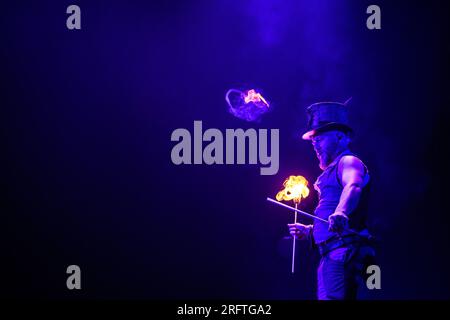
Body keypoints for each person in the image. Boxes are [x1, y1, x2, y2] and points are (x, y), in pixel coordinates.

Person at [288, 101, 376, 300]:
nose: (315, 145)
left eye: (319, 138)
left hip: (345, 252)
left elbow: (353, 186)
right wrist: (311, 231)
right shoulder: (331, 171)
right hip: (339, 253)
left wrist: (341, 212)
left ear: (341, 137)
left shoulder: (349, 162)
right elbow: (333, 215)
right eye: (313, 141)